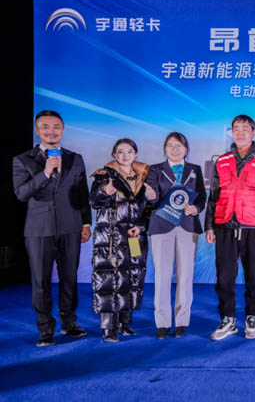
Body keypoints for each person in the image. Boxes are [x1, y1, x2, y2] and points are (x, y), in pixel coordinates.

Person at [12, 110, 92, 347]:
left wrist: (86, 222)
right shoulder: (22, 160)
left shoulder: (75, 158)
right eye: (45, 127)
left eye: (56, 127)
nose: (51, 131)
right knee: (41, 281)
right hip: (39, 229)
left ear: (63, 130)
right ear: (37, 130)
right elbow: (21, 193)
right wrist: (45, 173)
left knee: (70, 278)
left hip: (71, 227)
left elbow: (82, 193)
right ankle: (45, 328)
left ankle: (69, 322)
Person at [205, 115, 255, 341]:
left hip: (253, 226)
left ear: (253, 132)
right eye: (236, 129)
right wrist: (209, 226)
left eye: (245, 128)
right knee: (224, 277)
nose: (240, 132)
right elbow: (213, 195)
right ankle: (228, 319)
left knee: (254, 277)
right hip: (225, 225)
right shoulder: (222, 160)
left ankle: (252, 317)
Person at [89, 138, 156, 342]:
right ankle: (108, 327)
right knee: (108, 281)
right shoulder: (104, 176)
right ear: (114, 155)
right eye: (120, 152)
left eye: (129, 151)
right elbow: (94, 202)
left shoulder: (144, 178)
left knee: (132, 277)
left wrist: (141, 225)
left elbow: (149, 211)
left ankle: (125, 323)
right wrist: (105, 192)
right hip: (110, 238)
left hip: (134, 238)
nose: (125, 155)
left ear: (136, 154)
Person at [146, 132, 206, 340]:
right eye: (170, 145)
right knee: (162, 276)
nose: (174, 149)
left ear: (186, 149)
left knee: (185, 275)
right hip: (161, 226)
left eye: (179, 146)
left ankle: (182, 321)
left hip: (187, 226)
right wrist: (150, 195)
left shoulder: (195, 170)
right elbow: (152, 197)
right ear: (165, 148)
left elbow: (202, 198)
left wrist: (196, 209)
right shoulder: (155, 169)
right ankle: (162, 323)